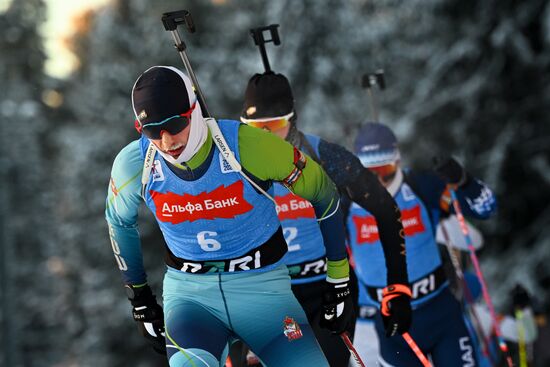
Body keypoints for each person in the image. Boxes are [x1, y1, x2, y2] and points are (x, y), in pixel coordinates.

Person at [105, 64, 368, 367]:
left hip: (262, 291)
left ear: (194, 109)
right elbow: (119, 221)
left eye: (176, 124)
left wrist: (338, 280)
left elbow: (324, 194)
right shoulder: (135, 163)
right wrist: (139, 298)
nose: (167, 142)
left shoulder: (248, 146)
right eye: (152, 131)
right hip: (191, 298)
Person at [238, 71, 412, 366]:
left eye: (274, 124)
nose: (264, 135)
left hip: (329, 290)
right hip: (272, 294)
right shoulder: (234, 163)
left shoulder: (325, 156)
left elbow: (385, 209)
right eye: (256, 127)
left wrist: (398, 286)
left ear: (292, 120)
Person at [347, 122, 498, 366]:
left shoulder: (421, 187)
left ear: (397, 160)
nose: (380, 182)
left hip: (440, 315)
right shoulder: (345, 202)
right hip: (393, 329)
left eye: (385, 169)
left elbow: (486, 208)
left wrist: (465, 182)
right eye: (369, 172)